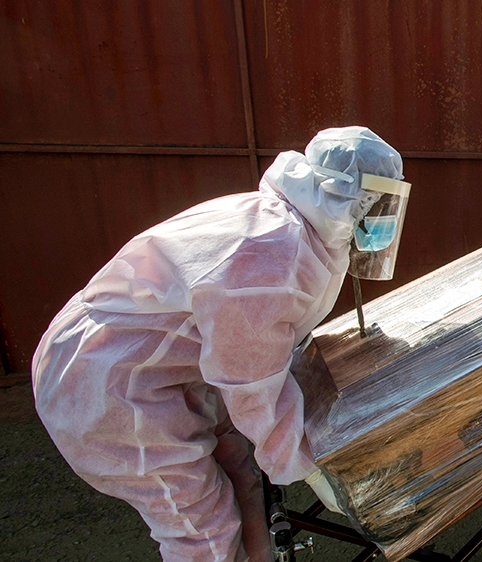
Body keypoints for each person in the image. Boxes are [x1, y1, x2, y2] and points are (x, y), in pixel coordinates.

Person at [31, 127, 407, 562]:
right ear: (349, 197)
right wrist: (312, 469)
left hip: (161, 365)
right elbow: (250, 382)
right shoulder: (271, 251)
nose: (380, 218)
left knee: (242, 482)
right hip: (107, 378)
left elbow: (263, 342)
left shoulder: (294, 224)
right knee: (200, 526)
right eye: (377, 204)